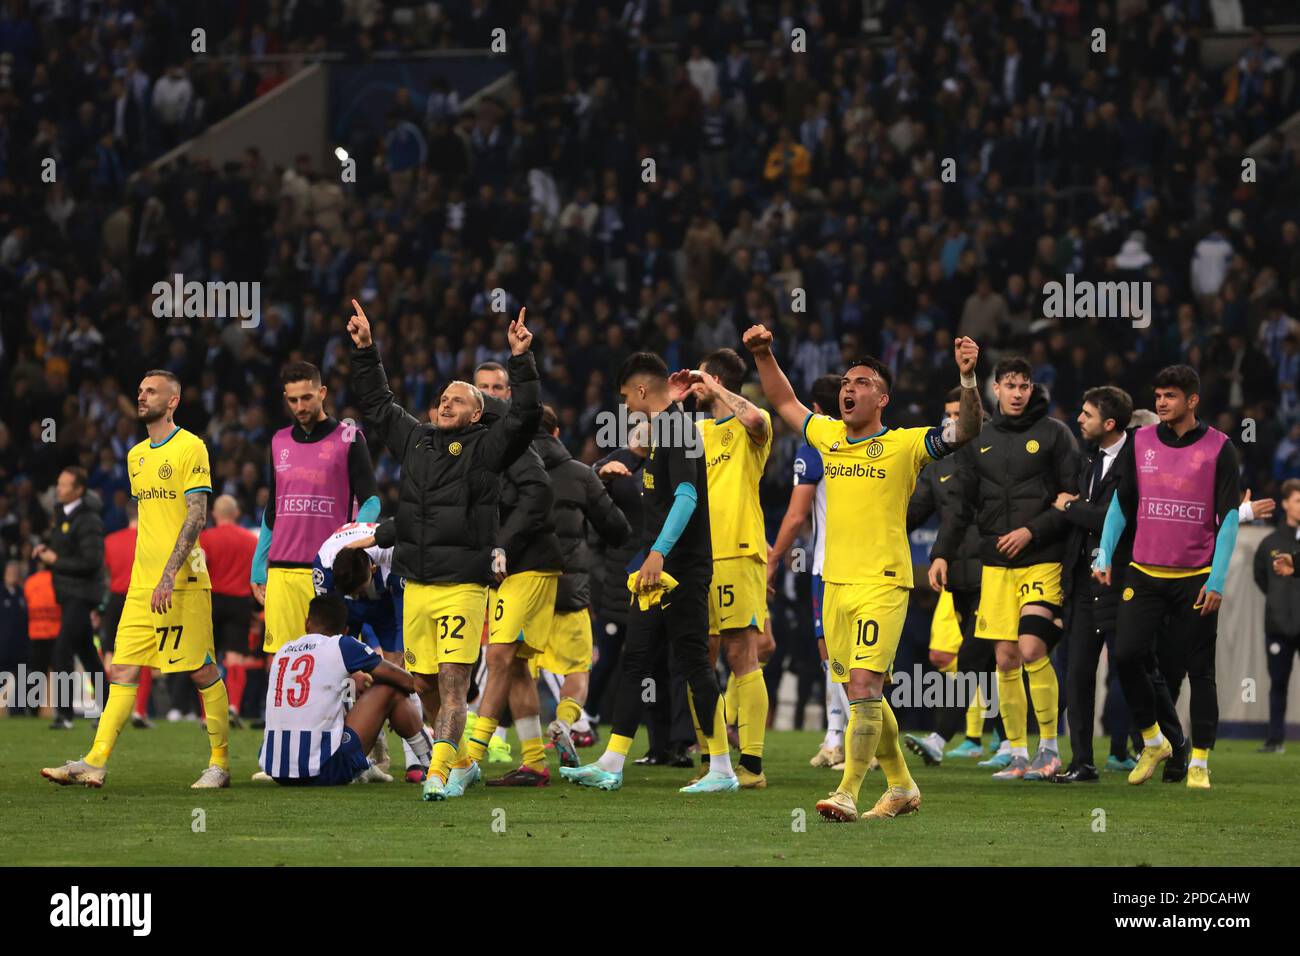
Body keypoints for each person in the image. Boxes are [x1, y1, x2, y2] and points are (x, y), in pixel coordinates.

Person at [745, 326, 983, 822]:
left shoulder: (906, 445)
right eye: (846, 383)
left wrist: (968, 379)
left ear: (883, 397)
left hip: (883, 582)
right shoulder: (828, 435)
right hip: (834, 583)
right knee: (863, 695)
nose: (849, 389)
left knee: (863, 686)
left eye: (861, 383)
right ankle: (902, 787)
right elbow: (784, 401)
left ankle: (847, 791)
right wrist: (765, 354)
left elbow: (967, 431)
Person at [347, 299, 541, 801]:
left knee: (453, 684)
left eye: (458, 400)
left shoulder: (487, 447)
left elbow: (524, 417)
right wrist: (367, 350)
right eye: (442, 399)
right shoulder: (415, 440)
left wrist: (520, 359)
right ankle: (459, 762)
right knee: (426, 685)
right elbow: (377, 405)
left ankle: (438, 777)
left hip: (461, 587)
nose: (446, 404)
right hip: (416, 585)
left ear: (478, 413)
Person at [41, 369, 231, 789]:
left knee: (200, 670)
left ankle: (219, 764)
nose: (141, 397)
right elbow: (152, 522)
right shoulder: (136, 456)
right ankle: (95, 760)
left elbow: (196, 515)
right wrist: (144, 577)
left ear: (173, 400)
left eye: (151, 391)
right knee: (123, 670)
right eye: (140, 390)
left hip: (181, 582)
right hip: (142, 586)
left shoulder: (191, 447)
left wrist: (168, 573)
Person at [560, 352, 734, 794]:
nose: (626, 407)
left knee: (695, 663)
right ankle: (613, 762)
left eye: (626, 397)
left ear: (639, 390)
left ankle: (722, 769)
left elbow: (688, 495)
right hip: (656, 570)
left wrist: (657, 553)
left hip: (681, 568)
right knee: (635, 661)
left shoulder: (676, 430)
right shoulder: (667, 426)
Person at [931, 356, 1080, 781]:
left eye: (1024, 385)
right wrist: (942, 552)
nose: (1017, 393)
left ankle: (1049, 749)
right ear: (995, 390)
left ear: (1032, 389)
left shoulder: (1055, 434)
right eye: (1009, 385)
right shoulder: (978, 438)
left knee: (1033, 648)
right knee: (1006, 658)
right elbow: (958, 504)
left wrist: (1032, 532)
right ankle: (1018, 753)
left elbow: (1072, 496)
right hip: (995, 564)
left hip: (1043, 559)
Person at [1095, 365, 1241, 789]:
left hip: (1194, 578)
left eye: (1170, 396)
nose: (1161, 402)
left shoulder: (1220, 448)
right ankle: (1153, 739)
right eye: (1158, 395)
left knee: (1198, 670)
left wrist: (1216, 580)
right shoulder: (1139, 442)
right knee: (1125, 655)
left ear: (1192, 400)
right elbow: (1122, 505)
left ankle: (1199, 760)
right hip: (1143, 574)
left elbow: (1228, 518)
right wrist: (1103, 553)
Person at [444, 362, 564, 790]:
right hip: (524, 563)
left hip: (525, 563)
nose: (492, 396)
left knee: (497, 657)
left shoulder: (511, 442)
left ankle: (469, 759)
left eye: (499, 389)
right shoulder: (478, 442)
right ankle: (533, 762)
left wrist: (501, 546)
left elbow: (540, 493)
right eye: (483, 389)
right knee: (515, 667)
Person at [1052, 387, 1168, 781]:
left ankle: (1168, 743)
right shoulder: (1088, 460)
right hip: (1085, 584)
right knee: (1078, 673)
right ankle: (1082, 761)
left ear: (1110, 423)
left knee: (1135, 665)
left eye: (1086, 414)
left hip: (1124, 581)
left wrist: (1070, 507)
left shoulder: (1136, 464)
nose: (1079, 420)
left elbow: (1111, 517)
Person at [250, 361, 380, 656]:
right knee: (281, 661)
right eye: (293, 400)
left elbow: (371, 501)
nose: (300, 406)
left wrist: (352, 548)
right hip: (282, 573)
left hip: (326, 573)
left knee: (331, 662)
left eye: (307, 397)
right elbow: (274, 507)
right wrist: (259, 565)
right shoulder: (278, 440)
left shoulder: (349, 438)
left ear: (322, 392)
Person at [689, 348, 773, 788]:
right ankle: (713, 758)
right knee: (697, 657)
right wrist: (676, 396)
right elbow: (645, 440)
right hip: (697, 558)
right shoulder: (696, 432)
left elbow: (757, 420)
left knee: (743, 654)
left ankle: (752, 766)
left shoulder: (749, 427)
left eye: (700, 377)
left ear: (717, 380)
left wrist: (714, 388)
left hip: (738, 551)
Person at [530, 405, 631, 765]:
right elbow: (617, 530)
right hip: (569, 590)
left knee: (516, 672)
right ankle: (566, 721)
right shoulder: (579, 474)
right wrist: (599, 485)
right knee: (578, 669)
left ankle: (524, 757)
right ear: (557, 434)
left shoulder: (505, 470)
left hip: (520, 589)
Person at [903, 387, 997, 765]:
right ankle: (1010, 744)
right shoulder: (939, 463)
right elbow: (914, 511)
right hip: (958, 576)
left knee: (983, 656)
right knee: (988, 660)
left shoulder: (998, 456)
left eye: (958, 413)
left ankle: (944, 738)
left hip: (997, 571)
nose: (951, 421)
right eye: (947, 413)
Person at [257, 594, 431, 786]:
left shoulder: (284, 650)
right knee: (388, 688)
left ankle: (365, 765)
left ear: (307, 624)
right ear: (345, 630)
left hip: (277, 770)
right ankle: (433, 765)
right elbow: (406, 681)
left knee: (343, 687)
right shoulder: (343, 644)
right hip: (323, 770)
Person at [768, 373, 848, 769]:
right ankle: (838, 737)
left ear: (814, 410)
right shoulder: (871, 441)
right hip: (872, 565)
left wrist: (774, 556)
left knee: (833, 657)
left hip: (830, 566)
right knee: (857, 660)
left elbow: (798, 512)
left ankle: (852, 740)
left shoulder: (815, 446)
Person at [312, 518, 426, 782]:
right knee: (339, 673)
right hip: (345, 608)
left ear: (373, 569)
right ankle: (355, 753)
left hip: (385, 604)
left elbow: (403, 624)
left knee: (402, 672)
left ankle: (415, 760)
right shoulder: (324, 564)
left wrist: (394, 660)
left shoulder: (395, 558)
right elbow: (326, 634)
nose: (358, 596)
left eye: (360, 590)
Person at [34, 468, 105, 728]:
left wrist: (56, 560)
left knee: (62, 649)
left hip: (81, 593)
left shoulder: (88, 520)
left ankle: (64, 714)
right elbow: (65, 548)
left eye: (64, 485)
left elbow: (91, 561)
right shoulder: (63, 514)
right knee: (87, 653)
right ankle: (108, 708)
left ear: (79, 490)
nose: (59, 488)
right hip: (68, 593)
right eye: (58, 483)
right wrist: (47, 549)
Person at [199, 495, 258, 727]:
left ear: (214, 513)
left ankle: (207, 715)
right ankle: (232, 707)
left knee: (207, 658)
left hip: (211, 600)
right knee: (236, 658)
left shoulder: (206, 538)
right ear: (236, 513)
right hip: (240, 602)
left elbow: (199, 568)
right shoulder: (250, 540)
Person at [1251, 478, 1300, 753]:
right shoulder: (1270, 542)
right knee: (1278, 683)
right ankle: (1275, 739)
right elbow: (1261, 578)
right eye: (1297, 500)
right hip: (1279, 625)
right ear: (1284, 504)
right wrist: (1280, 604)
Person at [100, 502, 151, 727]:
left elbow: (106, 572)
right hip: (141, 598)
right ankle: (139, 711)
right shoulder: (150, 539)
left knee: (111, 652)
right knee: (145, 654)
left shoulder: (110, 541)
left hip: (116, 599)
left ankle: (108, 708)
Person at [23, 568, 60, 717]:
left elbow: (27, 601)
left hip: (36, 634)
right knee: (62, 675)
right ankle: (63, 711)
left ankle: (32, 710)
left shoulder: (31, 582)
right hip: (56, 633)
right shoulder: (58, 580)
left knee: (36, 675)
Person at [0, 561, 27, 713]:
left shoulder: (23, 594)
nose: (13, 575)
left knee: (21, 682)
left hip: (19, 648)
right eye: (10, 572)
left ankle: (19, 711)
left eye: (16, 573)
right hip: (2, 648)